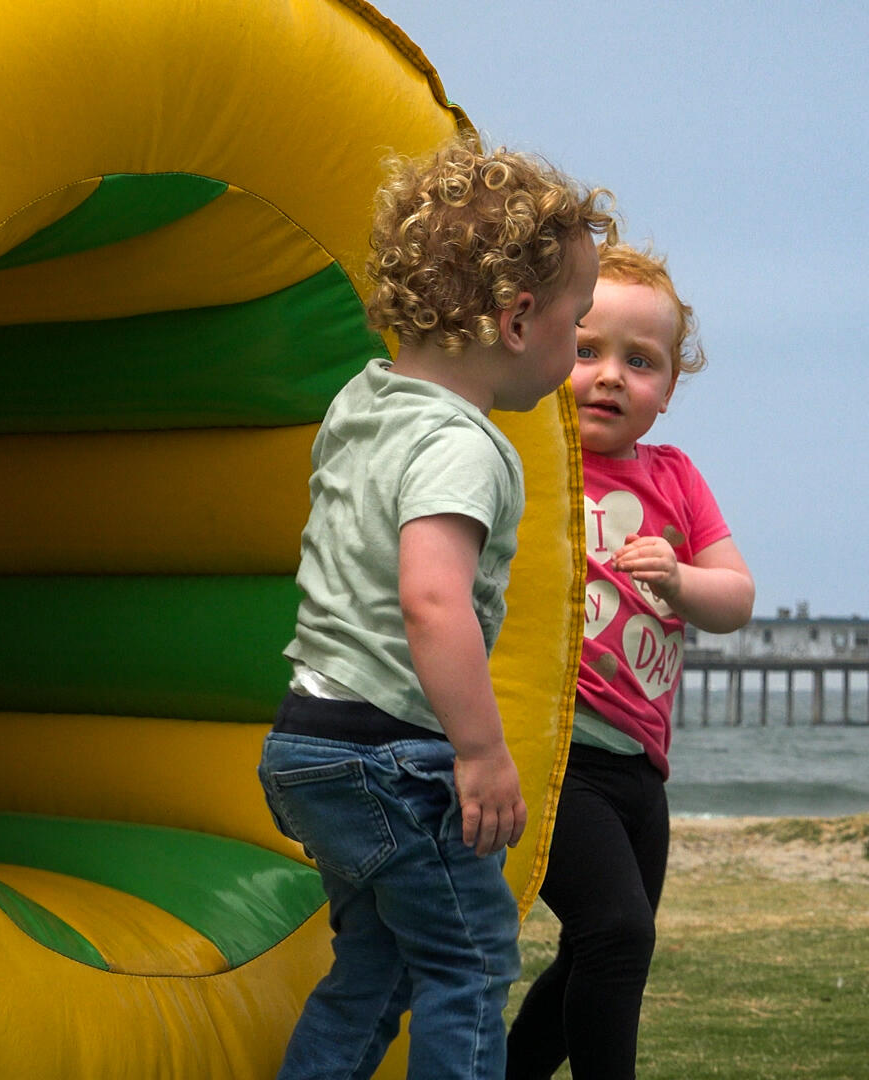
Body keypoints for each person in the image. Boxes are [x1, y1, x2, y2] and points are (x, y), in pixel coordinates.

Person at [258, 131, 613, 1080]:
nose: (580, 346)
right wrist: (483, 751)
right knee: (470, 961)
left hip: (311, 743)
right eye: (579, 321)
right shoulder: (459, 446)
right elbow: (430, 598)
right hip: (392, 758)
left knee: (377, 965)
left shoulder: (364, 402)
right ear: (518, 318)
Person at [506, 242, 755, 1080]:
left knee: (599, 953)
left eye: (639, 361)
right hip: (555, 756)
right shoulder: (530, 457)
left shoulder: (677, 479)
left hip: (640, 774)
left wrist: (682, 579)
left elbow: (737, 598)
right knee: (616, 932)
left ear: (669, 390)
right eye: (585, 349)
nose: (609, 375)